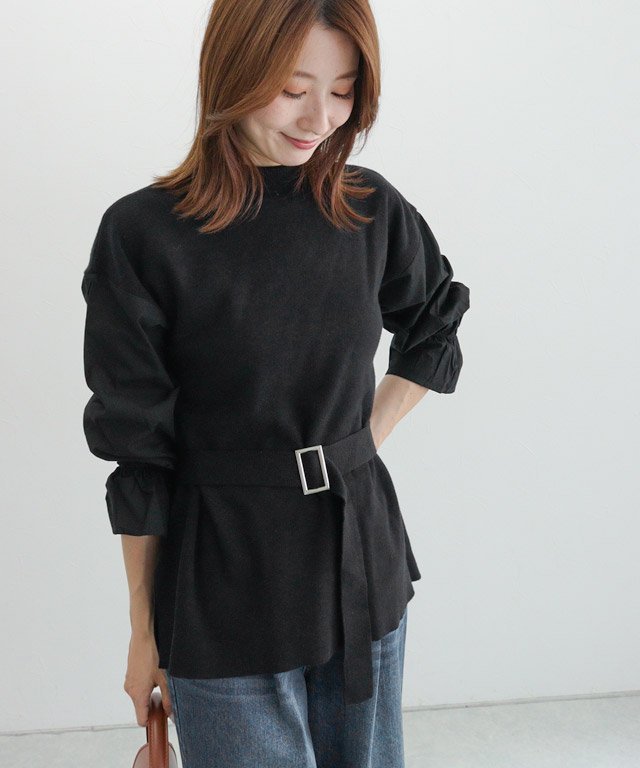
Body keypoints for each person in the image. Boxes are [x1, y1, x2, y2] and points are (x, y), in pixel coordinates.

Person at [80, 1, 471, 766]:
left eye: (343, 90)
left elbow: (435, 323)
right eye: (292, 89)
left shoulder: (368, 210)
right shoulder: (144, 234)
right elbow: (139, 452)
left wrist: (360, 441)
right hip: (220, 580)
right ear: (233, 71)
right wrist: (144, 628)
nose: (320, 117)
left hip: (358, 562)